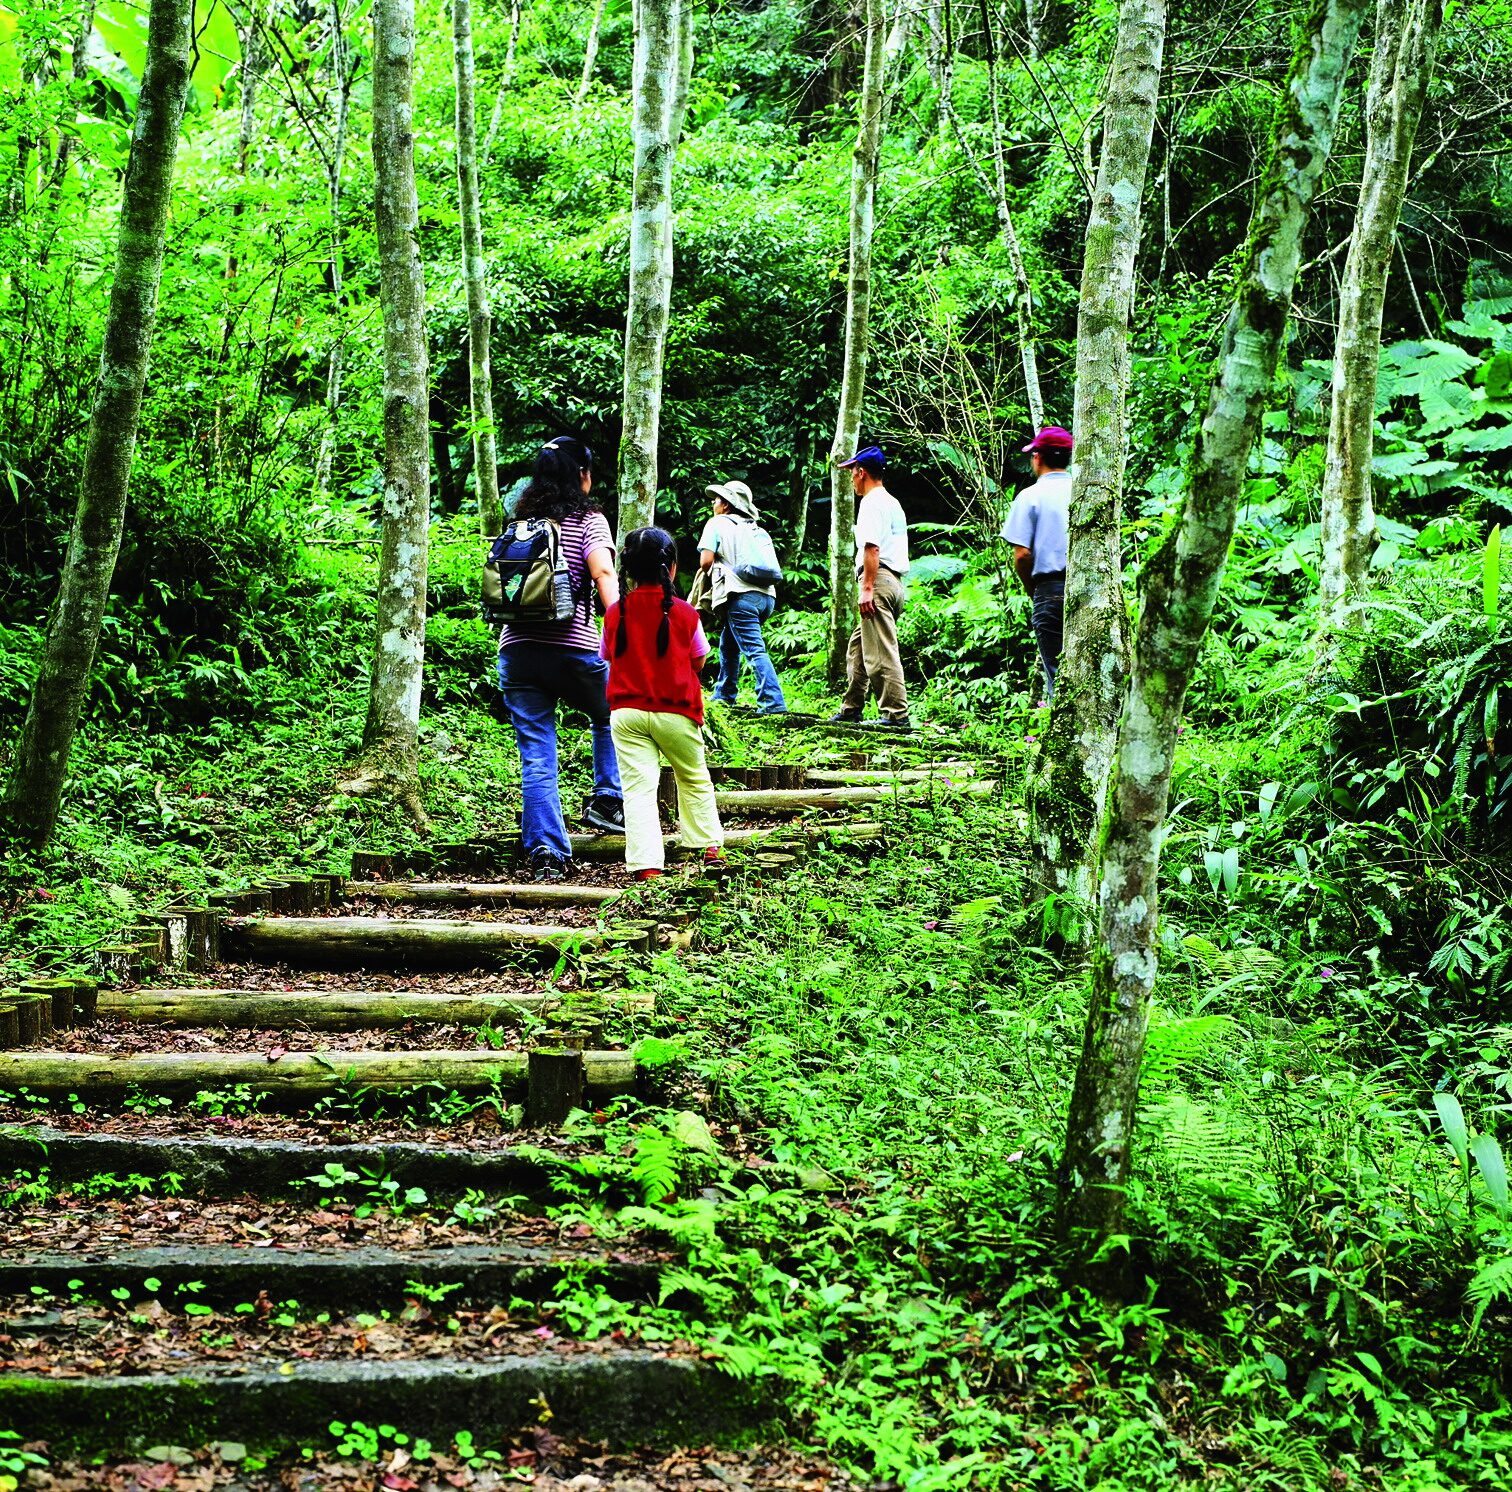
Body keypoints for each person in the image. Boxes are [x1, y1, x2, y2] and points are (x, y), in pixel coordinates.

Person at [496, 436, 624, 882]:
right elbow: (603, 572)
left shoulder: (520, 522)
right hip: (574, 648)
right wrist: (622, 627)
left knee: (536, 754)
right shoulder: (589, 520)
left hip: (517, 652)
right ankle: (608, 798)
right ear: (582, 475)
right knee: (612, 711)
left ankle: (546, 853)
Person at [601, 528, 725, 882]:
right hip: (677, 710)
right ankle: (708, 847)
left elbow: (607, 655)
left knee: (638, 789)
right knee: (693, 777)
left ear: (628, 569)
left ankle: (647, 866)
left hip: (627, 712)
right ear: (670, 568)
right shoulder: (685, 613)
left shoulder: (615, 613)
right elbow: (699, 660)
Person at [830, 444, 910, 730]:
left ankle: (896, 714)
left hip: (878, 580)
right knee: (859, 648)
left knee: (880, 651)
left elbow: (872, 548)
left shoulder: (871, 503)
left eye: (852, 472)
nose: (851, 478)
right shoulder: (892, 502)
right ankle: (851, 707)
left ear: (861, 472)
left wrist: (866, 588)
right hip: (893, 582)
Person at [697, 479, 787, 716]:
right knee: (728, 644)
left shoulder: (717, 523)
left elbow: (705, 561)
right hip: (766, 598)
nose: (713, 504)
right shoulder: (757, 529)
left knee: (754, 650)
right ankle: (724, 694)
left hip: (740, 596)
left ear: (726, 504)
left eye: (716, 500)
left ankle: (773, 703)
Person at [1001, 425, 1072, 704]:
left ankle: (1062, 724)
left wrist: (1033, 590)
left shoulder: (1030, 496)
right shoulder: (1085, 492)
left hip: (1049, 588)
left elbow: (1022, 555)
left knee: (1057, 672)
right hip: (1090, 589)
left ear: (1038, 457)